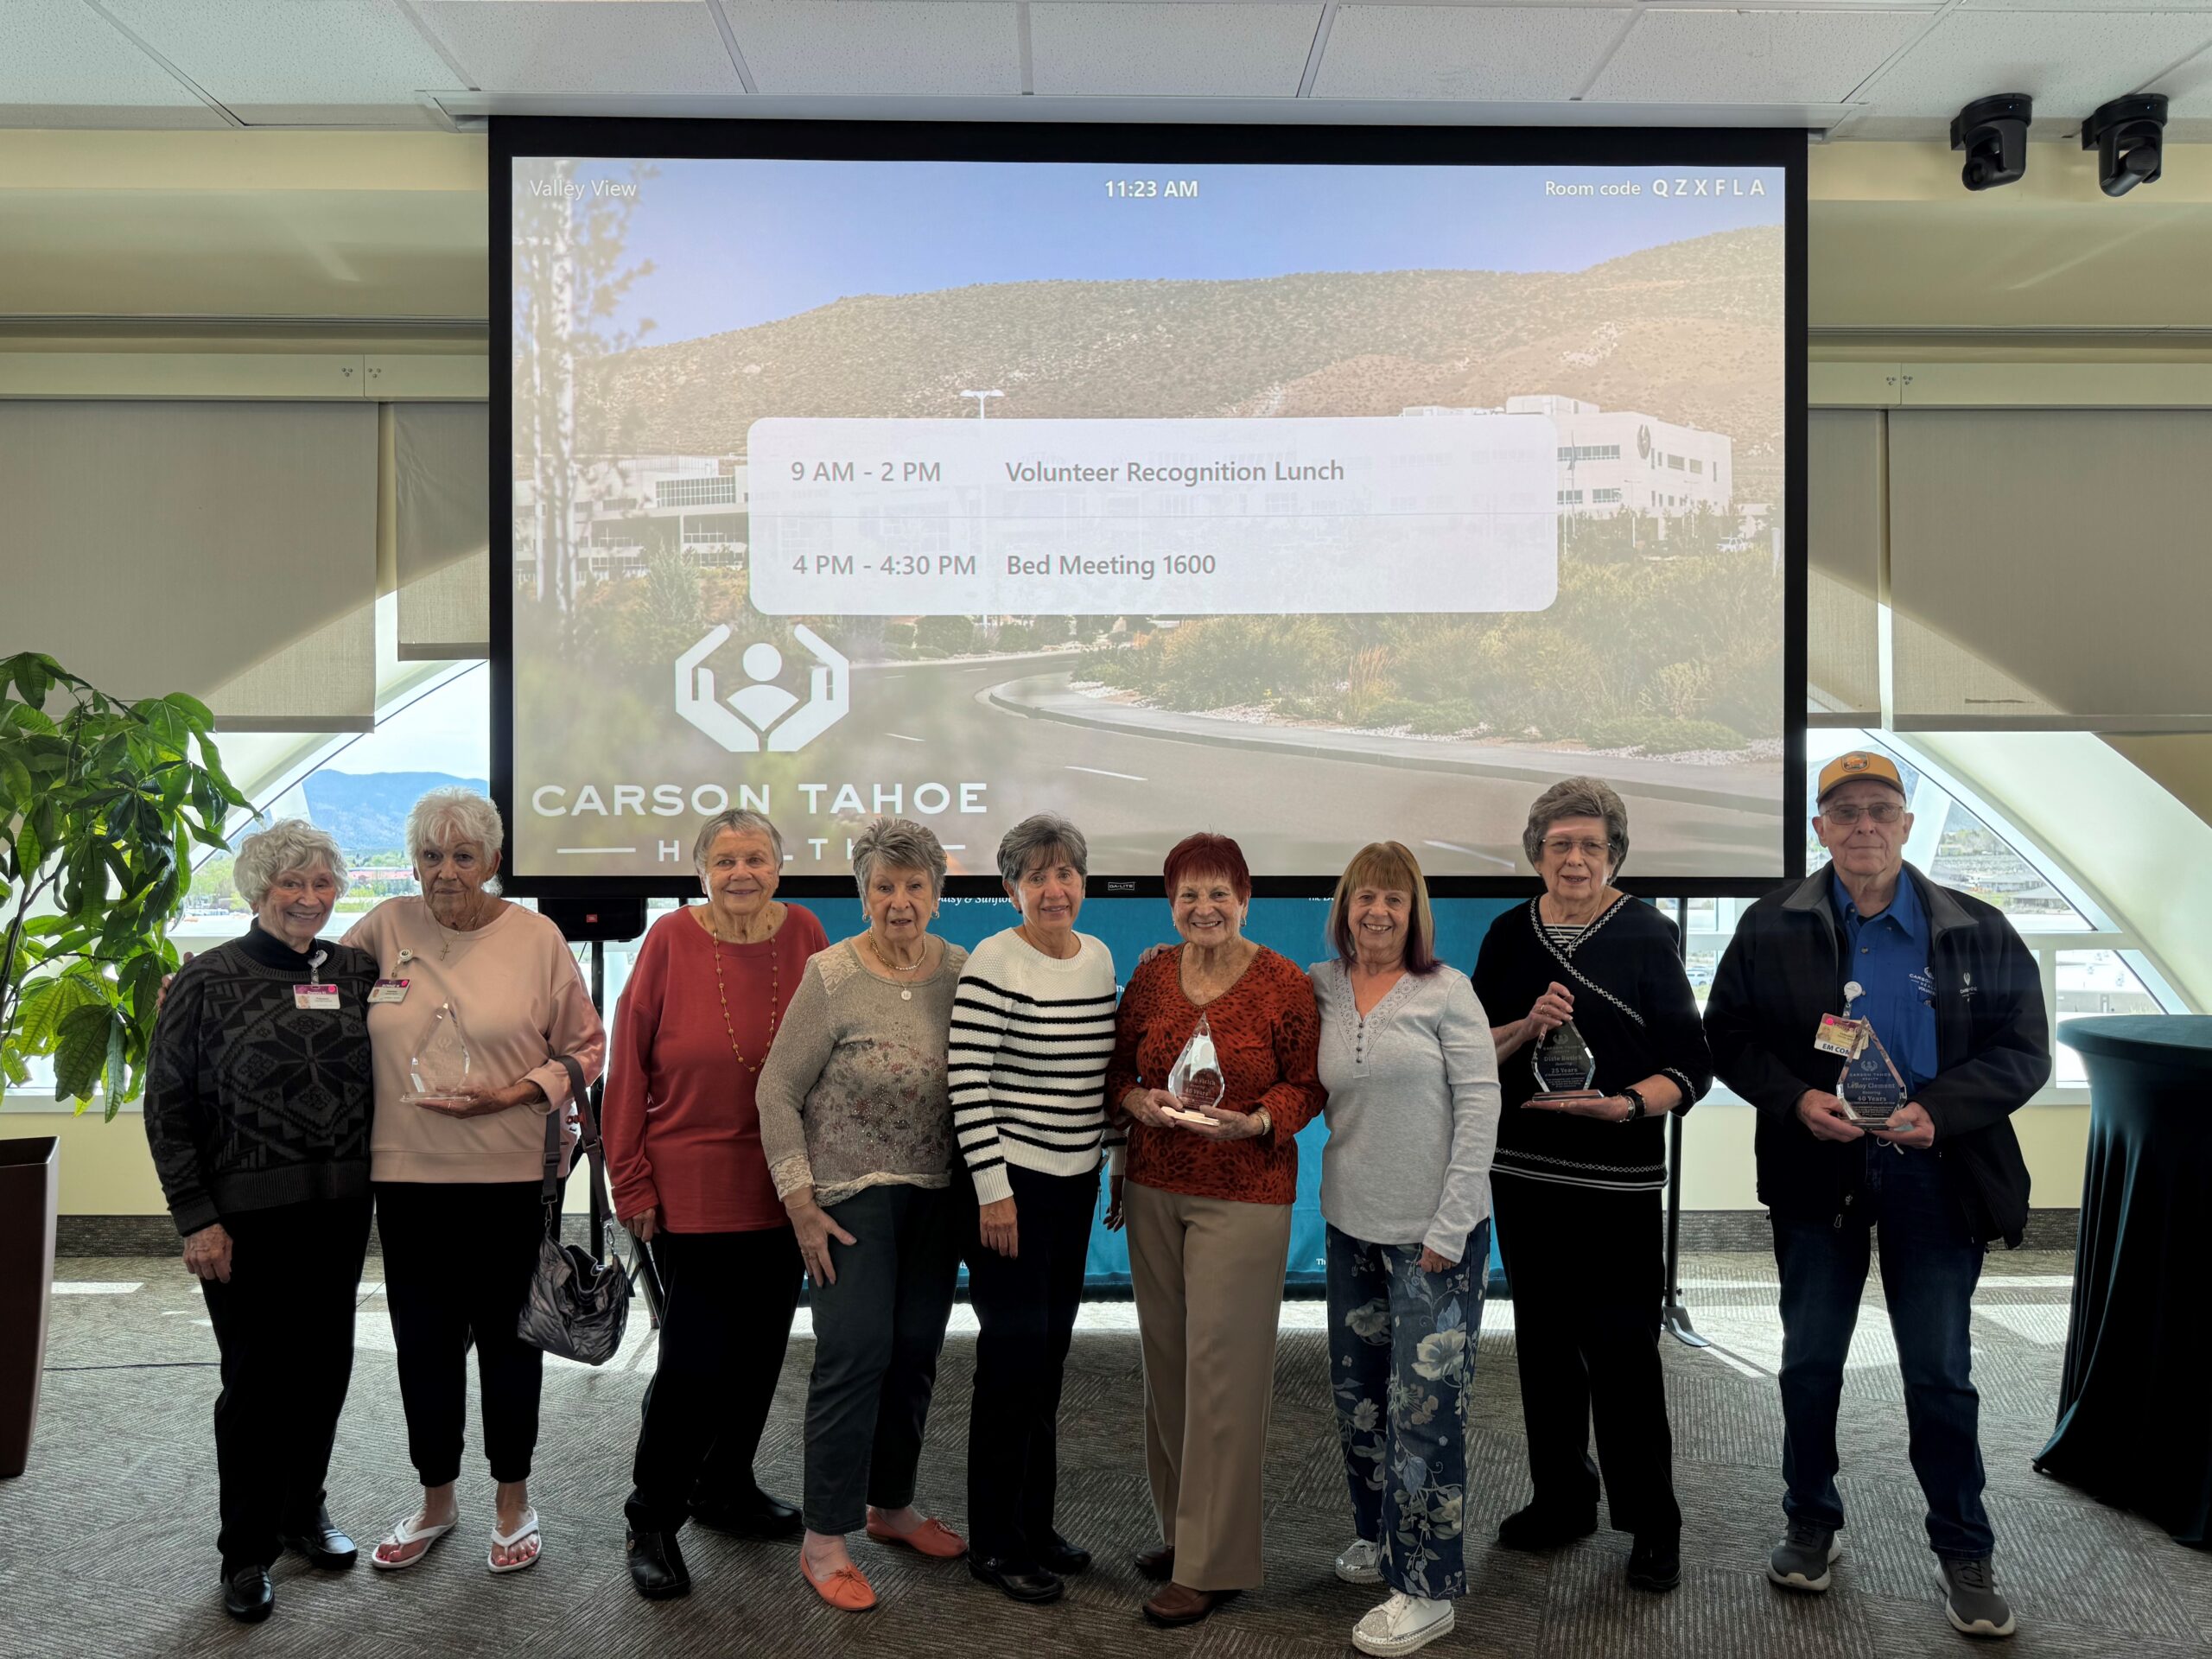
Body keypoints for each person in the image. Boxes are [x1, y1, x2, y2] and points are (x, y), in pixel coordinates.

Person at [1704, 750, 2049, 1641]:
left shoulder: (1977, 927)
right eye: (1844, 811)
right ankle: (1809, 1524)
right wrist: (1793, 1100)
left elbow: (2022, 1051)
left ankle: (1964, 1549)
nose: (1863, 826)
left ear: (1904, 825)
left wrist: (1941, 1111)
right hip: (1817, 1168)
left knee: (1939, 1372)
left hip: (1937, 1173)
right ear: (1820, 828)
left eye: (1880, 810)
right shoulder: (1770, 925)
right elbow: (1728, 1036)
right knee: (1811, 1360)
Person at [346, 786, 606, 1577]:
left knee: (508, 1341)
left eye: (463, 856)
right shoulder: (384, 926)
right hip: (405, 1174)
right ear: (414, 862)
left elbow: (586, 1048)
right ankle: (436, 1499)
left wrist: (517, 1093)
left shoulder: (537, 936)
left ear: (494, 861)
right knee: (422, 1344)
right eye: (430, 856)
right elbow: (308, 994)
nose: (445, 872)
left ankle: (513, 1498)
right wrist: (209, 990)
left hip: (509, 1174)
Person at [1472, 777, 1711, 1595]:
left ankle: (1652, 1522)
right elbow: (1471, 1051)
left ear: (1615, 855)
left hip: (1618, 1181)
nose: (1575, 859)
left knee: (1623, 1354)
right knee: (1542, 1350)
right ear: (1536, 852)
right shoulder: (1507, 935)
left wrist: (1626, 1106)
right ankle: (1562, 1499)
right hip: (1527, 1175)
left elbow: (1691, 1065)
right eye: (1560, 844)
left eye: (1592, 846)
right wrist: (1525, 1026)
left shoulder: (1648, 933)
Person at [143, 822, 380, 1624]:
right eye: (292, 886)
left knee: (325, 1372)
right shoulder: (206, 981)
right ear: (257, 892)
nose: (309, 899)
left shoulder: (356, 972)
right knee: (255, 1386)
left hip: (339, 1214)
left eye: (322, 884)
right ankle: (244, 1553)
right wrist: (196, 1218)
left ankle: (301, 1513)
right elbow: (167, 1110)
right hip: (243, 1226)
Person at [1104, 832, 1325, 1629]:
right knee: (1168, 1370)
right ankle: (1183, 1534)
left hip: (1246, 1191)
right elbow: (1119, 1069)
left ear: (1245, 898)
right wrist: (1132, 1105)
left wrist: (1261, 1120)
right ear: (1171, 904)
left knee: (1223, 1377)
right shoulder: (1154, 973)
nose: (1204, 908)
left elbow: (1310, 1084)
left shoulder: (1284, 984)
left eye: (1218, 893)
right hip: (1157, 1188)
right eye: (1188, 895)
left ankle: (1215, 1564)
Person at [607, 810, 828, 1600]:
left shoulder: (804, 931)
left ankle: (723, 1487)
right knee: (694, 1364)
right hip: (689, 1186)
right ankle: (653, 1516)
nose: (742, 873)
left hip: (785, 1183)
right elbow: (625, 1064)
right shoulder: (669, 941)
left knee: (762, 1353)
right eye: (725, 859)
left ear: (780, 866)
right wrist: (628, 1182)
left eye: (757, 858)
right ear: (700, 870)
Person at [755, 817, 972, 1613]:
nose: (900, 901)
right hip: (847, 1201)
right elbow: (775, 1091)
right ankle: (826, 1537)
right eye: (884, 886)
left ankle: (891, 1508)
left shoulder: (960, 969)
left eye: (916, 886)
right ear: (863, 893)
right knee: (855, 1356)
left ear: (939, 896)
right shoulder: (831, 974)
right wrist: (800, 1204)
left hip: (935, 1194)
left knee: (915, 1353)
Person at [1312, 842, 1501, 1659]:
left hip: (1436, 1238)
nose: (1377, 912)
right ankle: (1379, 1536)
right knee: (1360, 1399)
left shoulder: (1445, 991)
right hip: (1352, 1225)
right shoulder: (1320, 987)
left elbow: (1480, 1107)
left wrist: (1451, 1224)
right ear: (1345, 907)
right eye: (1364, 898)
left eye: (1394, 899)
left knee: (1425, 1416)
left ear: (1414, 910)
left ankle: (1426, 1588)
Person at [950, 814, 1122, 1605]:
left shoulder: (1099, 959)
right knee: (1012, 1363)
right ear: (1011, 888)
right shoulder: (995, 959)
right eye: (1038, 876)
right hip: (1009, 1191)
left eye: (1067, 874)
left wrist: (1115, 1163)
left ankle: (1036, 1524)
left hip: (1075, 1182)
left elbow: (1100, 1079)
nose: (1056, 890)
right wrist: (993, 1191)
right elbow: (967, 1082)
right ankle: (993, 1542)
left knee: (1048, 1358)